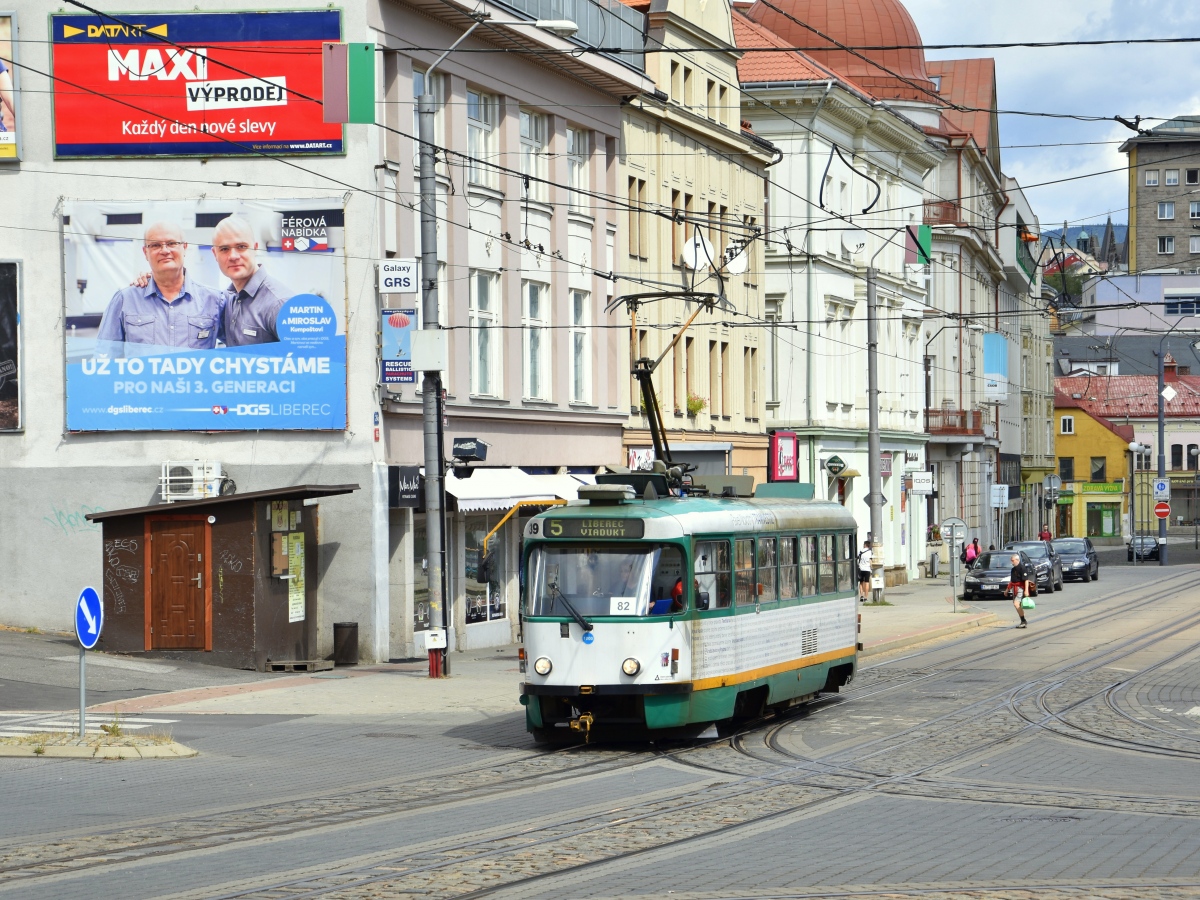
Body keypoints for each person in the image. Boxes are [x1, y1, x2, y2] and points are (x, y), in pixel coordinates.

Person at [96, 222, 225, 352]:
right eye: (156, 245)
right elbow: (104, 357)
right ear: (145, 252)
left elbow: (240, 347)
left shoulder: (214, 301)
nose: (164, 250)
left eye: (171, 243)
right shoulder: (125, 300)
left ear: (185, 247)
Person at [212, 216, 293, 346]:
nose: (233, 256)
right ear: (215, 254)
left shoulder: (279, 304)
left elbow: (310, 360)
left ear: (255, 248)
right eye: (224, 249)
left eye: (241, 246)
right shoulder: (227, 300)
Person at [1007, 553, 1034, 628]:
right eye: (1011, 561)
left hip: (1020, 588)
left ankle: (1023, 620)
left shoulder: (1022, 568)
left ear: (1017, 560)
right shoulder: (1013, 569)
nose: (1012, 562)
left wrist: (1026, 591)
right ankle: (1023, 620)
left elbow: (1026, 580)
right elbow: (1011, 581)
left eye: (1013, 560)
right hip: (1014, 588)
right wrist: (1007, 590)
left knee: (1016, 604)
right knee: (1017, 605)